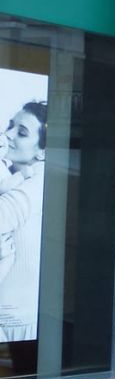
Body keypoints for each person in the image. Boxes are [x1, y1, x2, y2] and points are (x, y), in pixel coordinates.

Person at [0, 101, 47, 344]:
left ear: (41, 151)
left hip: (13, 324)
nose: (7, 134)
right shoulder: (17, 178)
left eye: (22, 132)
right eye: (10, 125)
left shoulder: (35, 186)